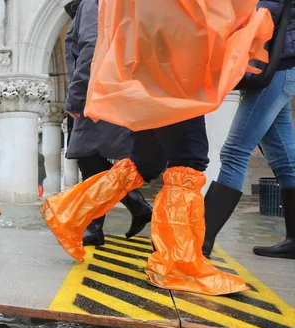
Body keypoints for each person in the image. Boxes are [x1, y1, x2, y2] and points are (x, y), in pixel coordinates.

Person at [41, 0, 272, 296]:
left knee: (145, 162)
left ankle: (70, 214)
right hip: (174, 72)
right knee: (188, 160)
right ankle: (177, 266)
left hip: (151, 70)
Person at [203, 0, 295, 260]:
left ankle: (202, 239)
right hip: (283, 69)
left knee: (235, 151)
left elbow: (260, 12)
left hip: (277, 70)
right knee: (287, 161)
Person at [64, 0, 152, 248]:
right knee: (89, 156)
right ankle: (126, 211)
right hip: (110, 87)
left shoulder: (92, 3)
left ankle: (114, 217)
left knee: (87, 157)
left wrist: (76, 96)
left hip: (98, 90)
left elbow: (92, 47)